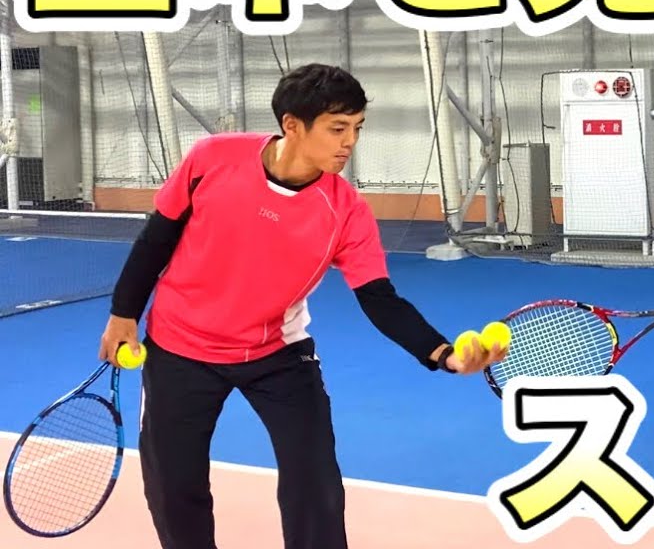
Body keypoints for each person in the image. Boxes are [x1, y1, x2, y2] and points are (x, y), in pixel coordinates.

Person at [98, 63, 506, 549]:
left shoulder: (346, 210)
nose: (349, 142)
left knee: (316, 485)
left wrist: (443, 354)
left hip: (277, 353)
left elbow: (379, 298)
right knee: (173, 487)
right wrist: (123, 313)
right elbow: (157, 237)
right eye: (337, 128)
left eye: (357, 128)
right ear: (292, 125)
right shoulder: (212, 159)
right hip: (181, 348)